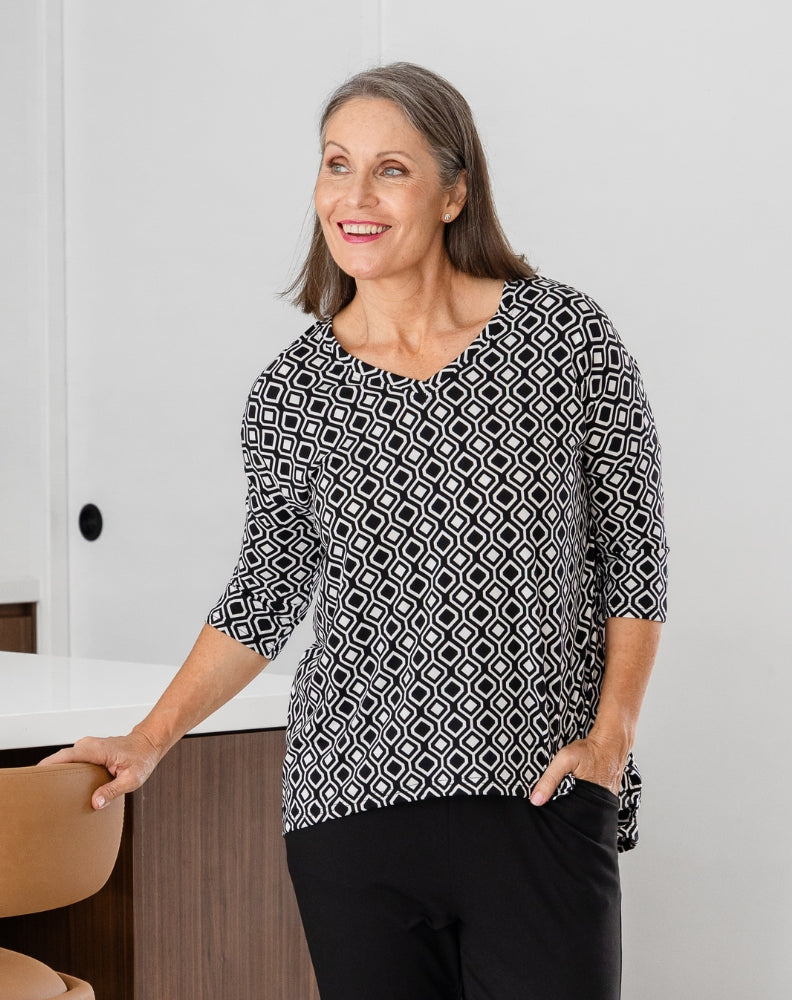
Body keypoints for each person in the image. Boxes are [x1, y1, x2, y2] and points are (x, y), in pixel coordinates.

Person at [43, 62, 668, 1000]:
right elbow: (265, 592)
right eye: (337, 165)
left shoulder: (565, 338)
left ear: (455, 193)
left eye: (391, 170)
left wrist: (612, 738)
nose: (355, 197)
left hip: (540, 790)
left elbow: (635, 554)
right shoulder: (293, 391)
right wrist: (150, 737)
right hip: (352, 805)